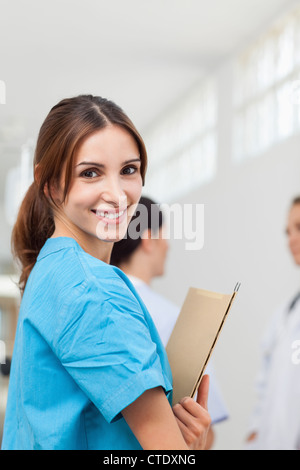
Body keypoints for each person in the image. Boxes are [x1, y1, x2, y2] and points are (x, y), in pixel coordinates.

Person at [1, 95, 211, 450]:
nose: (116, 195)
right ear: (48, 183)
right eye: (90, 173)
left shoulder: (49, 268)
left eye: (128, 170)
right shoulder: (92, 288)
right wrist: (194, 446)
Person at [110, 196, 229, 449]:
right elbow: (201, 433)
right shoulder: (172, 319)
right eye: (163, 235)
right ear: (148, 239)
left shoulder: (94, 305)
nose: (168, 245)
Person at [245, 196, 300, 450]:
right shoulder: (284, 315)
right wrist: (255, 433)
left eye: (299, 227)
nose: (291, 239)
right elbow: (266, 388)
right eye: (287, 232)